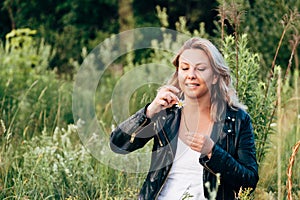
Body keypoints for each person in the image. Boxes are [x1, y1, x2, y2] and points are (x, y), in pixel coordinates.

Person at [110, 37, 259, 200]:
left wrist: (212, 152)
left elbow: (249, 182)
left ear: (216, 76)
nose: (191, 75)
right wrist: (150, 111)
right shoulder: (166, 113)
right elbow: (118, 145)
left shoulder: (237, 119)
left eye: (200, 69)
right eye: (185, 68)